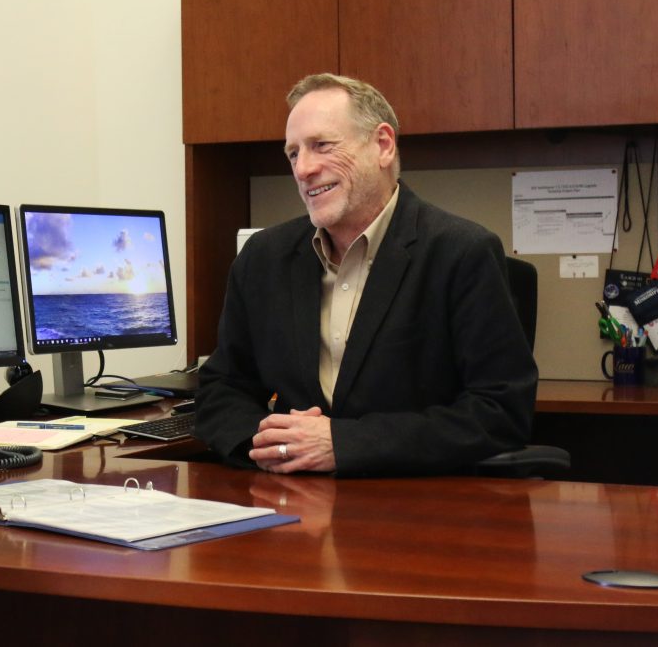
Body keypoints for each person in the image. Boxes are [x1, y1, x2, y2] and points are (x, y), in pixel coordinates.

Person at [194, 73, 537, 477]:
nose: (303, 169)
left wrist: (343, 444)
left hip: (414, 504)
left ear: (383, 145)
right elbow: (222, 389)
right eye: (292, 154)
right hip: (293, 506)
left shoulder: (461, 252)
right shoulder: (263, 259)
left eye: (322, 145)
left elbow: (499, 412)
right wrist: (275, 444)